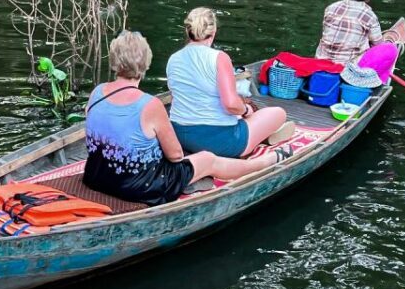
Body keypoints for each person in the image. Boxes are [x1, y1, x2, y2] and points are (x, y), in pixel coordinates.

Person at [83, 31, 291, 206]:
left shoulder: (97, 92)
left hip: (96, 176)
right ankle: (265, 162)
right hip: (140, 187)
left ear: (114, 61)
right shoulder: (149, 104)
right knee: (207, 159)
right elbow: (175, 155)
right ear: (145, 63)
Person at [166, 8, 295, 159]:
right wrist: (246, 110)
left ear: (187, 31)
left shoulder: (173, 59)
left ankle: (259, 135)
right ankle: (261, 137)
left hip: (180, 135)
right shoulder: (219, 57)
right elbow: (230, 105)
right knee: (278, 113)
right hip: (217, 142)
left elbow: (176, 99)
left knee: (239, 116)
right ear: (213, 32)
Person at [315, 0, 398, 83]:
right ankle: (378, 83)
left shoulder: (330, 8)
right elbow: (378, 45)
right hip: (346, 71)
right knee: (390, 49)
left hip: (320, 63)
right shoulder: (369, 15)